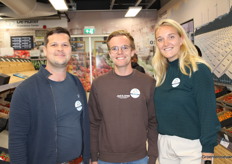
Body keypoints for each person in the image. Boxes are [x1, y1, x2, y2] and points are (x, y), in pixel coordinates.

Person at [9, 27, 90, 164]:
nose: (60, 49)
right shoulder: (26, 90)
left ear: (71, 50)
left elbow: (84, 123)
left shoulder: (76, 82)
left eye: (65, 44)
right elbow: (17, 140)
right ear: (45, 50)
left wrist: (88, 156)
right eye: (54, 45)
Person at [152, 19, 221, 164]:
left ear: (182, 38)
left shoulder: (198, 69)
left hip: (192, 146)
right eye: (160, 39)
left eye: (171, 37)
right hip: (165, 144)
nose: (166, 43)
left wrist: (208, 150)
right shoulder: (161, 72)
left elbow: (207, 111)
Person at [88, 30, 158, 164]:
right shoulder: (98, 84)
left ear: (132, 51)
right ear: (109, 54)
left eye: (125, 47)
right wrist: (94, 157)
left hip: (140, 158)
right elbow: (93, 123)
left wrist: (152, 156)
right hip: (105, 159)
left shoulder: (148, 83)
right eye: (114, 48)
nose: (119, 52)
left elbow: (153, 122)